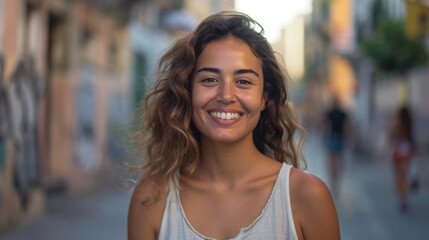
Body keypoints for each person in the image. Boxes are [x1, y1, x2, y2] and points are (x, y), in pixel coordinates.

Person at [127, 11, 340, 240]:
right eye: (209, 79)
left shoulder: (307, 196)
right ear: (187, 92)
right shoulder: (151, 199)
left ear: (263, 98)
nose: (226, 95)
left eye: (243, 81)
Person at [388, 105, 415, 213]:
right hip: (406, 149)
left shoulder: (396, 123)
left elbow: (392, 135)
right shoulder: (409, 123)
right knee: (404, 175)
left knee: (398, 176)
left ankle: (401, 198)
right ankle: (404, 198)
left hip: (397, 149)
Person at [322, 97, 351, 197]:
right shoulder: (342, 114)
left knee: (332, 160)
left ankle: (334, 181)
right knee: (337, 160)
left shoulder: (331, 113)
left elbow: (326, 126)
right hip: (338, 138)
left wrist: (323, 137)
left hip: (334, 138)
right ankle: (335, 181)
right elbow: (346, 126)